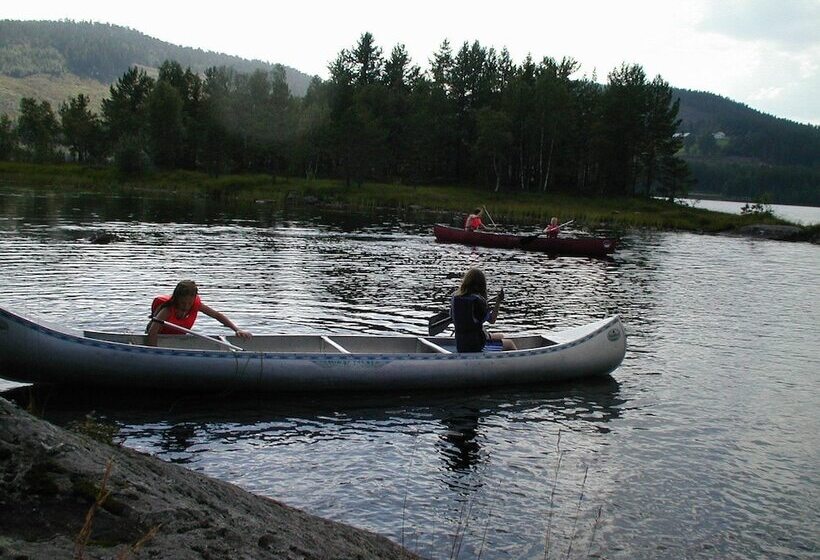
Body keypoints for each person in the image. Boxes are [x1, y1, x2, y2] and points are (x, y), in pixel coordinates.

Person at [146, 280, 252, 346]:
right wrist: (154, 351)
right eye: (183, 302)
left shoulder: (196, 305)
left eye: (189, 303)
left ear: (193, 299)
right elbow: (152, 332)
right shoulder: (167, 309)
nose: (186, 306)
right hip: (159, 338)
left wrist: (237, 329)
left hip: (176, 338)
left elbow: (216, 315)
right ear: (176, 299)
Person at [450, 268, 517, 352]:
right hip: (476, 346)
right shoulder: (478, 300)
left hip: (460, 344)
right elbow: (492, 320)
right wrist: (498, 302)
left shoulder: (455, 298)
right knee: (510, 344)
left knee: (501, 336)